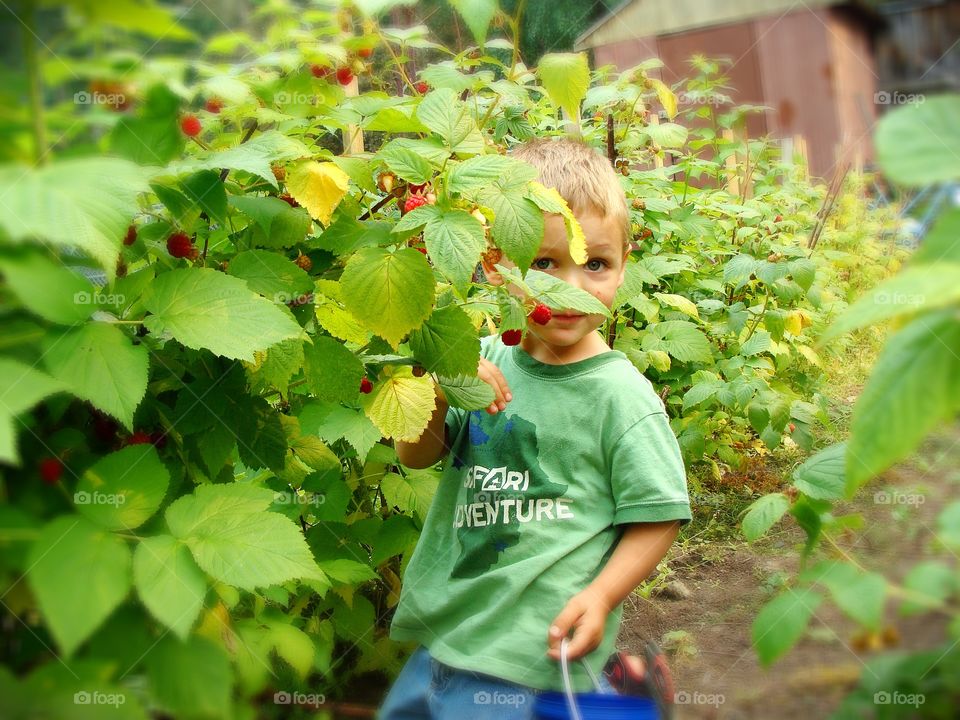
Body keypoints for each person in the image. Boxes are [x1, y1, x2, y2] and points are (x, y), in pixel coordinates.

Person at [378, 138, 692, 720]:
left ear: (623, 265)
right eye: (544, 263)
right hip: (449, 627)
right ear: (497, 265)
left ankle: (625, 699)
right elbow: (416, 456)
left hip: (534, 643)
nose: (569, 289)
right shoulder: (481, 356)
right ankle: (628, 696)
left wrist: (600, 596)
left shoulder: (620, 397)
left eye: (595, 264)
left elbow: (660, 512)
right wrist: (442, 383)